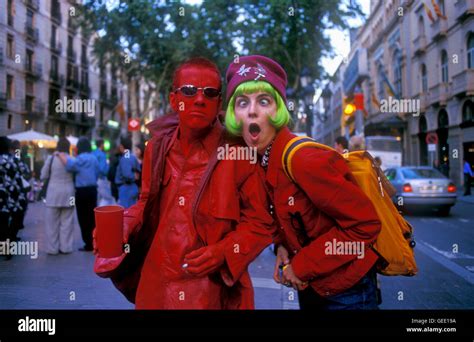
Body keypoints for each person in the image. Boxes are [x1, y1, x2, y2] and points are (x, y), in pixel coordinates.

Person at [94, 57, 273, 309]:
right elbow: (145, 202)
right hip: (155, 286)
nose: (199, 99)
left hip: (208, 291)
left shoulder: (239, 151)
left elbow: (261, 224)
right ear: (173, 99)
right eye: (189, 91)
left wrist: (223, 251)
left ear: (219, 103)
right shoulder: (157, 147)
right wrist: (124, 224)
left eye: (209, 93)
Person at [225, 55, 382, 310]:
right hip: (313, 286)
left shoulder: (304, 160)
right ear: (234, 114)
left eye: (264, 101)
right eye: (242, 102)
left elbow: (364, 225)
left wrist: (301, 265)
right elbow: (287, 216)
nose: (252, 110)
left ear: (279, 110)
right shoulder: (262, 159)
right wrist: (282, 247)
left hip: (347, 292)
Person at [58, 137, 99, 252]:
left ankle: (87, 243)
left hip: (80, 191)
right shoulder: (94, 158)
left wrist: (60, 155)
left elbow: (69, 166)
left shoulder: (79, 159)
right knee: (92, 217)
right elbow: (98, 172)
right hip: (92, 190)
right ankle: (95, 242)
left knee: (83, 217)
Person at [40, 138, 75, 254]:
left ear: (58, 146)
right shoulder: (71, 159)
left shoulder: (51, 159)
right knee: (68, 221)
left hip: (53, 194)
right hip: (70, 194)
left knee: (51, 224)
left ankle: (52, 248)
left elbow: (43, 175)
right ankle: (66, 247)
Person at [0, 137, 22, 260]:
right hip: (14, 195)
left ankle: (4, 248)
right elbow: (25, 171)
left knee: (2, 222)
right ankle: (10, 245)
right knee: (14, 221)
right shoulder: (14, 159)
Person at [10, 140, 31, 241]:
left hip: (9, 187)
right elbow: (21, 167)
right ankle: (13, 234)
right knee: (19, 209)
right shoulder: (17, 154)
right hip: (17, 186)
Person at [114, 136, 141, 209]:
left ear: (122, 147)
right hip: (132, 187)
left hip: (126, 188)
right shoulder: (132, 156)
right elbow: (138, 170)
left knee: (126, 213)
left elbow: (127, 175)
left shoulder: (126, 157)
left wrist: (133, 176)